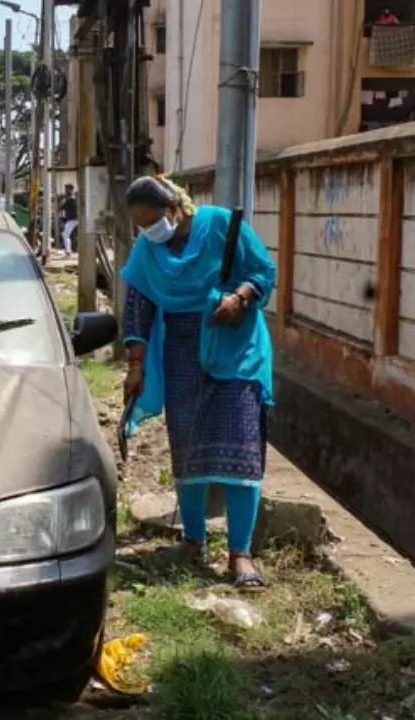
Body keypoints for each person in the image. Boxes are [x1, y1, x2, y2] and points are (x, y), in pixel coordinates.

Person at [119, 175, 276, 589]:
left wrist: (239, 298)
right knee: (187, 448)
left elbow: (263, 270)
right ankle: (193, 540)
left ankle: (240, 554)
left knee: (241, 451)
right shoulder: (148, 249)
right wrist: (136, 364)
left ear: (174, 209)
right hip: (182, 354)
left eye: (153, 221)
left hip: (235, 350)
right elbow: (139, 304)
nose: (149, 231)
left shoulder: (222, 225)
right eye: (140, 225)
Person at [61, 184, 79, 256]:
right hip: (74, 219)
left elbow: (61, 207)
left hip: (72, 220)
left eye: (66, 189)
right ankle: (68, 251)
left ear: (70, 189)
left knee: (65, 235)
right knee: (66, 235)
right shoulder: (74, 198)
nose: (65, 190)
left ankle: (68, 252)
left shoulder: (70, 198)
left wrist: (63, 199)